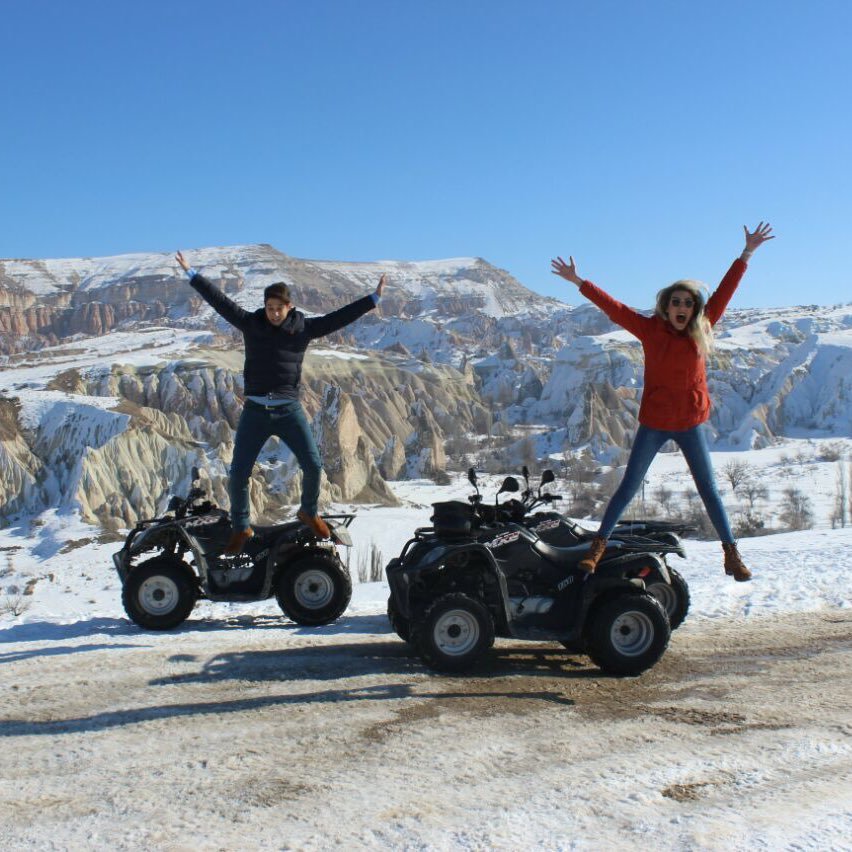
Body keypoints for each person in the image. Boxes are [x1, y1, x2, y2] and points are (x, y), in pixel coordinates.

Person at [550, 222, 775, 581]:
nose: (682, 307)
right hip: (654, 424)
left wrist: (746, 253)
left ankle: (731, 554)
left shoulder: (704, 325)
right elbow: (616, 308)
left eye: (688, 303)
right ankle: (598, 548)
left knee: (710, 491)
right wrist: (579, 282)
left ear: (694, 308)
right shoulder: (650, 330)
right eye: (676, 303)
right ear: (666, 307)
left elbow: (725, 291)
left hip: (690, 424)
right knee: (627, 487)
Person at [176, 250, 385, 554]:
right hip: (256, 411)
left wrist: (373, 299)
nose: (273, 313)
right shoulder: (251, 324)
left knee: (313, 466)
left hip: (289, 410)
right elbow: (220, 302)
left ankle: (309, 511)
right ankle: (241, 527)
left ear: (290, 307)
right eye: (269, 307)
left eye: (278, 308)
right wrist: (192, 275)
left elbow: (338, 319)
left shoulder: (304, 329)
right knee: (238, 474)